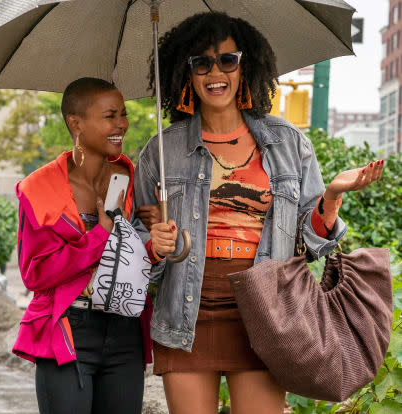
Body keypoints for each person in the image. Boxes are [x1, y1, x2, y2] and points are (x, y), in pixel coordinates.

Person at [133, 12, 385, 414]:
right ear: (187, 74)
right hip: (186, 314)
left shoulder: (288, 143)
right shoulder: (159, 153)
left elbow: (310, 240)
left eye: (227, 60)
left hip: (267, 312)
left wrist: (332, 196)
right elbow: (135, 245)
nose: (215, 72)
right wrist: (153, 246)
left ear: (245, 66)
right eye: (201, 63)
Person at [12, 77, 164, 414]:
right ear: (76, 123)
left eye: (122, 115)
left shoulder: (130, 177)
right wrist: (99, 237)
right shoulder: (40, 188)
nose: (122, 124)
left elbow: (135, 264)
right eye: (110, 116)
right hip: (69, 331)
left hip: (125, 332)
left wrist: (155, 241)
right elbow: (35, 274)